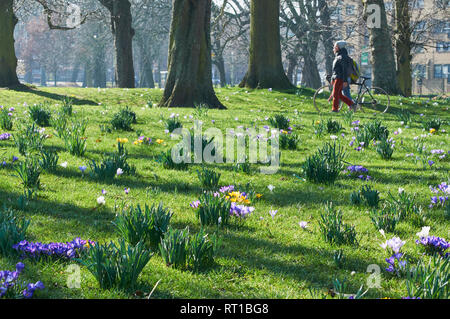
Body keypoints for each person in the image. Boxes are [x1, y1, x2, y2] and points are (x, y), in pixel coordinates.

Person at [328, 41, 356, 112]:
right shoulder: (339, 56)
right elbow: (335, 70)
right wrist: (332, 78)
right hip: (337, 78)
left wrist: (345, 81)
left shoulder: (342, 57)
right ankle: (352, 104)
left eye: (334, 47)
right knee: (339, 94)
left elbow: (344, 70)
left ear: (338, 47)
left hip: (340, 78)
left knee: (335, 94)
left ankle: (335, 109)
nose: (333, 49)